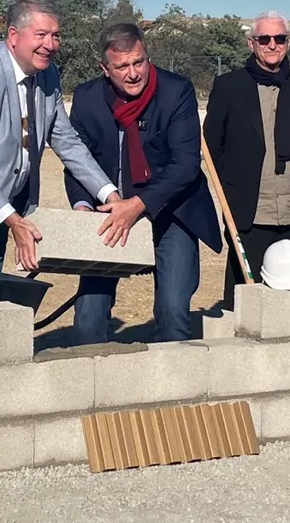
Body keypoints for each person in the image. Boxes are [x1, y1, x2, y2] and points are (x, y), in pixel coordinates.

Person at [0, 0, 130, 297]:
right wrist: (14, 221)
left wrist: (110, 194)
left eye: (56, 35)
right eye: (41, 34)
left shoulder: (48, 74)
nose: (50, 44)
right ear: (13, 35)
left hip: (2, 209)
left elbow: (67, 141)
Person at [65, 22, 221, 344]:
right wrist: (82, 207)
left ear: (147, 56)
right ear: (105, 69)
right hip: (109, 214)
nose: (133, 73)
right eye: (122, 66)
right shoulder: (87, 98)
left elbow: (185, 165)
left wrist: (137, 205)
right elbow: (78, 162)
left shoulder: (176, 91)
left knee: (173, 312)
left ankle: (170, 373)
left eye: (139, 62)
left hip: (172, 211)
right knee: (89, 316)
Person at [202, 11, 290, 309]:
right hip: (248, 209)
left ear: (288, 43)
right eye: (264, 38)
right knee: (244, 293)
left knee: (288, 292)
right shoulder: (229, 86)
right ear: (251, 43)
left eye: (279, 38)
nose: (272, 45)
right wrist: (235, 182)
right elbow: (213, 144)